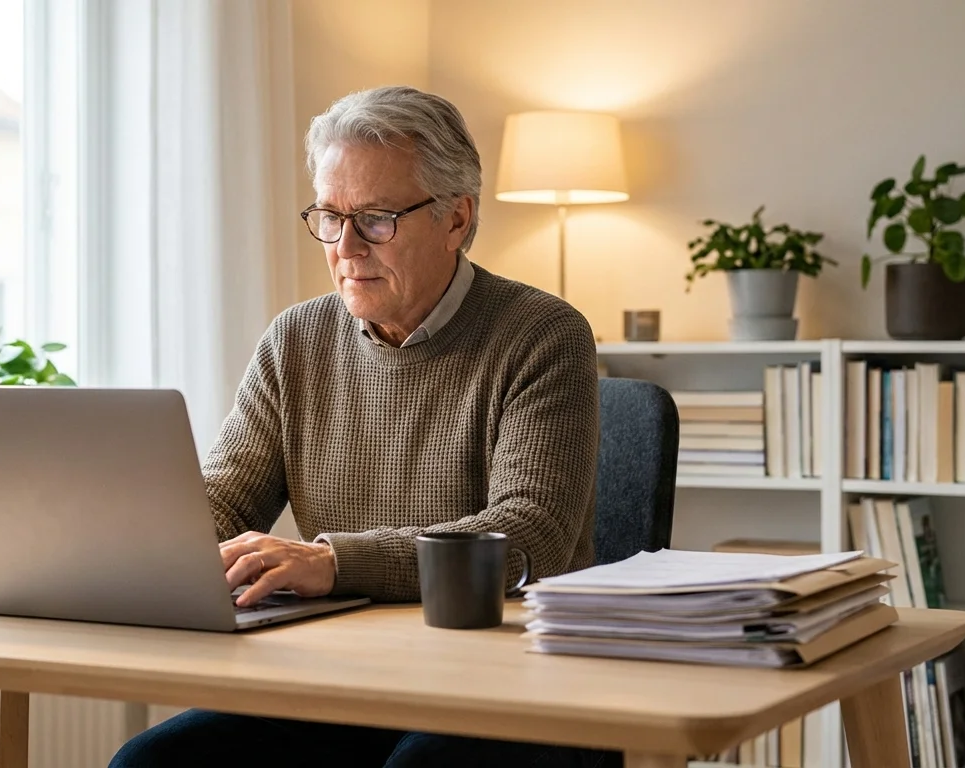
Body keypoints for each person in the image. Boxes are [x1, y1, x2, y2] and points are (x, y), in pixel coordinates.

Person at [109, 85, 614, 767]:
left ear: (456, 219)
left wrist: (336, 562)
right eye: (328, 216)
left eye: (375, 219)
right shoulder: (295, 339)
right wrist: (108, 543)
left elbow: (528, 535)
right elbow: (226, 500)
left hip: (505, 689)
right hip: (334, 683)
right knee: (150, 764)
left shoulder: (543, 335)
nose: (345, 246)